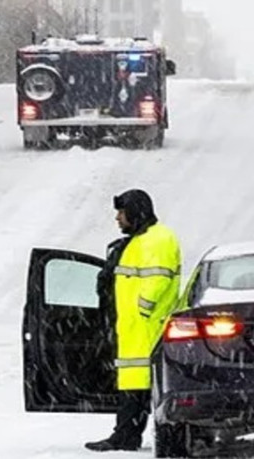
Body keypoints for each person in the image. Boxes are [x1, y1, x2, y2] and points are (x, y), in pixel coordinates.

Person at [86, 189, 182, 452]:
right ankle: (126, 435)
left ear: (135, 212)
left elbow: (159, 277)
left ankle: (126, 436)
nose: (118, 218)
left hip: (146, 326)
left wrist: (143, 308)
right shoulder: (139, 240)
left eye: (121, 212)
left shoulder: (158, 239)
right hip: (133, 327)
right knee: (134, 386)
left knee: (138, 387)